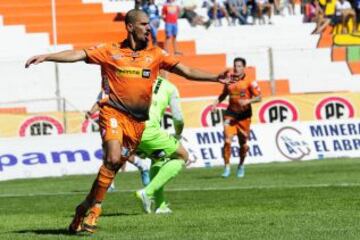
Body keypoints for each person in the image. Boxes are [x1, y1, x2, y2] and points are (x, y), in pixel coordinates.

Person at [25, 9, 232, 234]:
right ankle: (95, 210)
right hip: (112, 113)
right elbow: (78, 54)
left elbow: (186, 70)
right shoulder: (109, 51)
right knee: (113, 158)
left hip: (138, 124)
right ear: (130, 27)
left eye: (149, 24)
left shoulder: (156, 54)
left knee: (112, 167)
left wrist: (215, 77)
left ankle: (84, 207)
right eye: (143, 24)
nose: (149, 28)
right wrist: (47, 56)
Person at [135, 72, 187, 214]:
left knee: (157, 159)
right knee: (182, 156)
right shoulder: (170, 87)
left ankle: (160, 206)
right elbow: (178, 119)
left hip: (129, 130)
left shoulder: (136, 79)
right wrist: (178, 134)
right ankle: (147, 192)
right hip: (148, 130)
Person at [85, 92, 151, 190]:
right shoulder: (106, 87)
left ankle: (141, 164)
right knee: (107, 152)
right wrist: (91, 112)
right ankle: (110, 184)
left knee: (118, 153)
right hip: (107, 121)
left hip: (122, 122)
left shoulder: (123, 84)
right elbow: (100, 102)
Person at [211, 57, 261, 178]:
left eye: (239, 66)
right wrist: (215, 103)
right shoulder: (229, 81)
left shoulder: (250, 82)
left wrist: (248, 100)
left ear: (244, 67)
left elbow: (259, 97)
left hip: (244, 116)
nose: (236, 68)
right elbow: (224, 94)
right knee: (227, 141)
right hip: (231, 114)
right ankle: (227, 167)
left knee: (243, 144)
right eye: (235, 66)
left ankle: (241, 165)